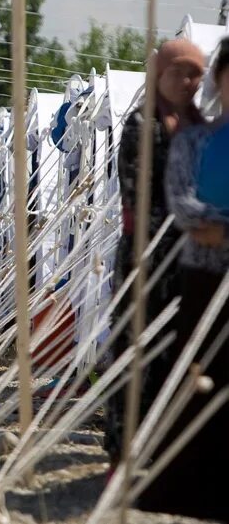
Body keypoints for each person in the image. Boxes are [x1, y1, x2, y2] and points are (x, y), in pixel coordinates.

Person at [103, 39, 206, 469]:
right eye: (180, 71)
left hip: (190, 259)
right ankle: (122, 452)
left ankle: (163, 455)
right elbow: (141, 199)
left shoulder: (201, 128)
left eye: (196, 74)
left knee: (176, 354)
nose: (189, 82)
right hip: (145, 258)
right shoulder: (141, 127)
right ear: (158, 73)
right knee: (135, 350)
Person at [147, 38, 229, 521]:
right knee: (198, 379)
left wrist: (220, 224)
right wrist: (215, 223)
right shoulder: (196, 141)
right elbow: (182, 202)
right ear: (220, 81)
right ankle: (190, 490)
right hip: (203, 274)